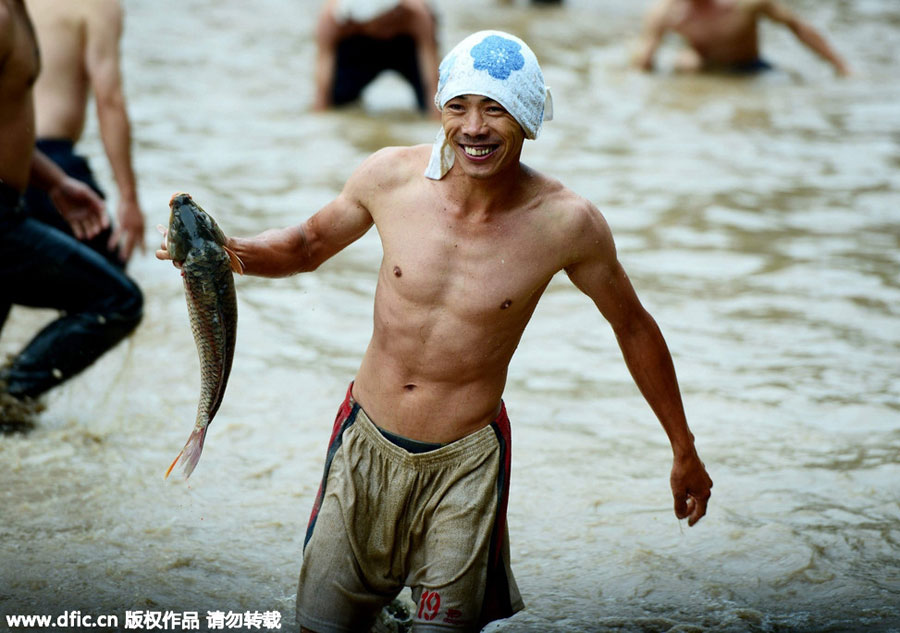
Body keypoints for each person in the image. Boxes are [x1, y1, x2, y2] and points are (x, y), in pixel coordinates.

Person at [158, 30, 713, 632]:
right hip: (363, 444)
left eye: (495, 108)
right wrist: (221, 249)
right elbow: (307, 244)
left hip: (466, 466)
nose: (474, 128)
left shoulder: (566, 224)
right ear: (441, 109)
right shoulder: (388, 177)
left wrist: (682, 446)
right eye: (459, 107)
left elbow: (632, 326)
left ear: (527, 117)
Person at [0, 0, 143, 417]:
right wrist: (128, 197)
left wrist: (55, 182)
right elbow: (109, 99)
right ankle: (11, 400)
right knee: (117, 300)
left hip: (21, 192)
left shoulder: (20, 11)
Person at [24, 0, 146, 266]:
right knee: (116, 294)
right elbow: (109, 100)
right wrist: (129, 199)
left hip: (9, 160)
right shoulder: (96, 5)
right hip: (52, 160)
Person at [634, 0, 851, 76]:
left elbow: (798, 27)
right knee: (685, 64)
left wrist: (841, 66)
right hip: (705, 69)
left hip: (751, 68)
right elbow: (643, 62)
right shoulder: (665, 12)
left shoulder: (747, 3)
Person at [313, 0, 440, 117]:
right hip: (358, 48)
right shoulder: (334, 18)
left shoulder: (417, 14)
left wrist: (437, 117)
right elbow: (323, 79)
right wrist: (320, 115)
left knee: (433, 102)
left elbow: (431, 76)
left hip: (405, 47)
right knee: (338, 101)